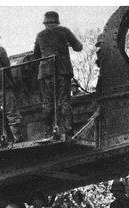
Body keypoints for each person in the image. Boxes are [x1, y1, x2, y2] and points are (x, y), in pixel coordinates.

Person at [34, 11, 83, 141]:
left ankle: (47, 132)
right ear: (57, 21)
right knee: (64, 101)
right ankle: (68, 130)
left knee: (48, 103)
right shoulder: (64, 31)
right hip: (62, 70)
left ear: (45, 22)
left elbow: (36, 55)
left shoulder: (40, 35)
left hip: (45, 73)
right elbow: (78, 47)